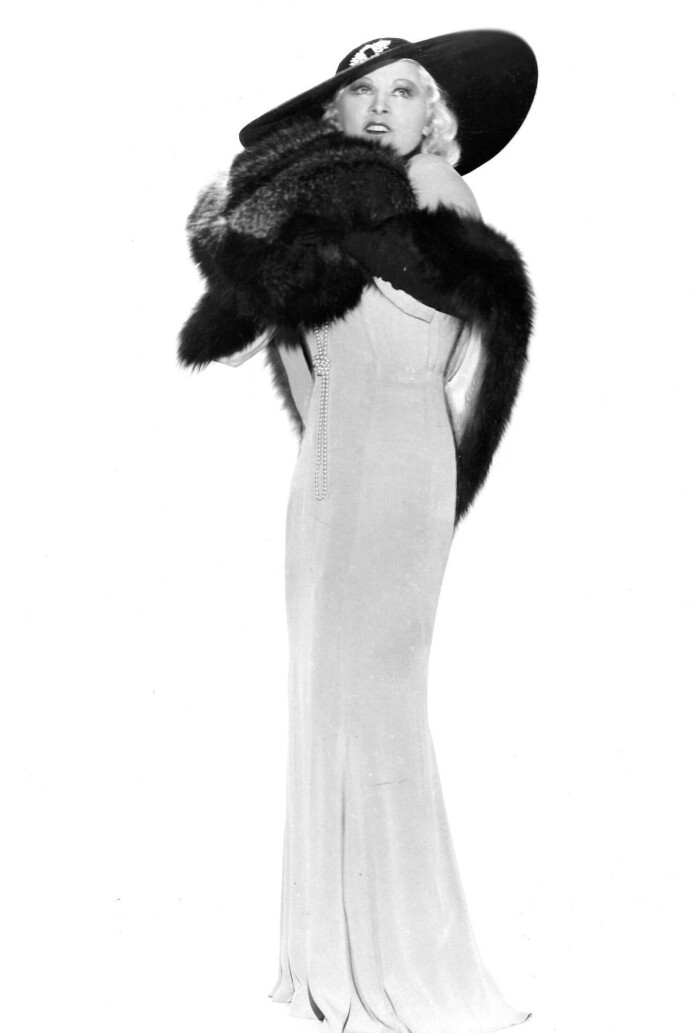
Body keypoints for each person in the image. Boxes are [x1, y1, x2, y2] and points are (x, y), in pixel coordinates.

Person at [179, 31, 537, 1033]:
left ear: (437, 116)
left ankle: (403, 957)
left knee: (376, 704)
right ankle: (328, 954)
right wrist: (268, 249)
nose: (382, 108)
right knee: (321, 697)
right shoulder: (320, 218)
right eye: (362, 93)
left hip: (400, 470)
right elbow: (273, 353)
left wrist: (284, 236)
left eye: (406, 91)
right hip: (324, 478)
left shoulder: (436, 192)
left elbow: (443, 342)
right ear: (333, 116)